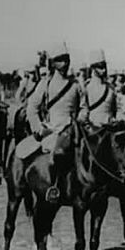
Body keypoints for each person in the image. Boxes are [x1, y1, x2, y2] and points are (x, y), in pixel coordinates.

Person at [26, 45, 88, 203]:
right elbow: (32, 107)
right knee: (58, 153)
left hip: (73, 129)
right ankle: (54, 187)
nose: (64, 63)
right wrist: (38, 128)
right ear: (52, 63)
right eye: (60, 60)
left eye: (66, 59)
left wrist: (81, 119)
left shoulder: (76, 84)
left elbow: (83, 107)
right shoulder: (45, 84)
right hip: (52, 129)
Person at [84, 50, 116, 127]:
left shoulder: (110, 88)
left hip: (109, 127)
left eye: (104, 67)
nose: (104, 70)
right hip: (93, 130)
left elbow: (114, 109)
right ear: (93, 68)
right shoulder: (86, 88)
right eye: (100, 67)